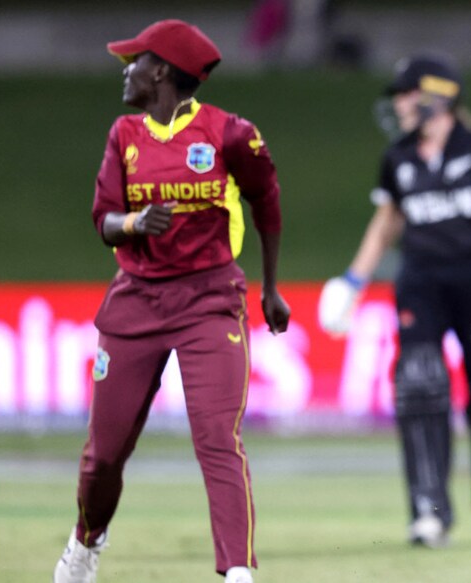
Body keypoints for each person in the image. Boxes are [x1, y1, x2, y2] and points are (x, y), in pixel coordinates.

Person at [53, 19, 291, 583]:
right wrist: (134, 220)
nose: (125, 71)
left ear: (159, 70)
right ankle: (87, 541)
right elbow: (103, 220)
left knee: (217, 438)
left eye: (132, 62)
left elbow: (267, 201)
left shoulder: (229, 134)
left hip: (209, 300)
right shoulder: (124, 136)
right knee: (103, 456)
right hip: (136, 302)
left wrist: (271, 286)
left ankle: (237, 572)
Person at [317, 53, 471, 548]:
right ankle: (428, 512)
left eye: (406, 94)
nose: (399, 104)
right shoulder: (399, 157)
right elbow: (387, 223)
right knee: (419, 385)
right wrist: (352, 280)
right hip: (420, 282)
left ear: (437, 97)